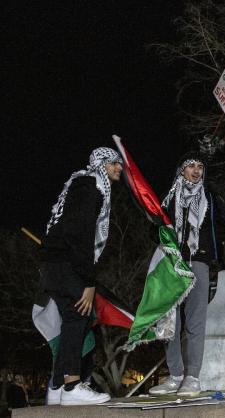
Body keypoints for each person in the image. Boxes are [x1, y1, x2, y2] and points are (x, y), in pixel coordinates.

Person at [38, 147, 123, 405]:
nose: (119, 168)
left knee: (72, 323)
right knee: (78, 319)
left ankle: (56, 387)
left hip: (53, 265)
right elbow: (80, 234)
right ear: (102, 166)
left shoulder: (81, 184)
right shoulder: (91, 187)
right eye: (114, 164)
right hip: (67, 265)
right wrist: (88, 281)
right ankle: (72, 386)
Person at [148, 154, 225, 397]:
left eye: (200, 167)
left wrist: (218, 192)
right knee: (169, 322)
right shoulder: (169, 197)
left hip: (199, 262)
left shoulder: (208, 196)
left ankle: (192, 377)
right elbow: (153, 228)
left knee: (195, 321)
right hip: (172, 263)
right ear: (181, 170)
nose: (196, 171)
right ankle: (175, 375)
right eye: (190, 166)